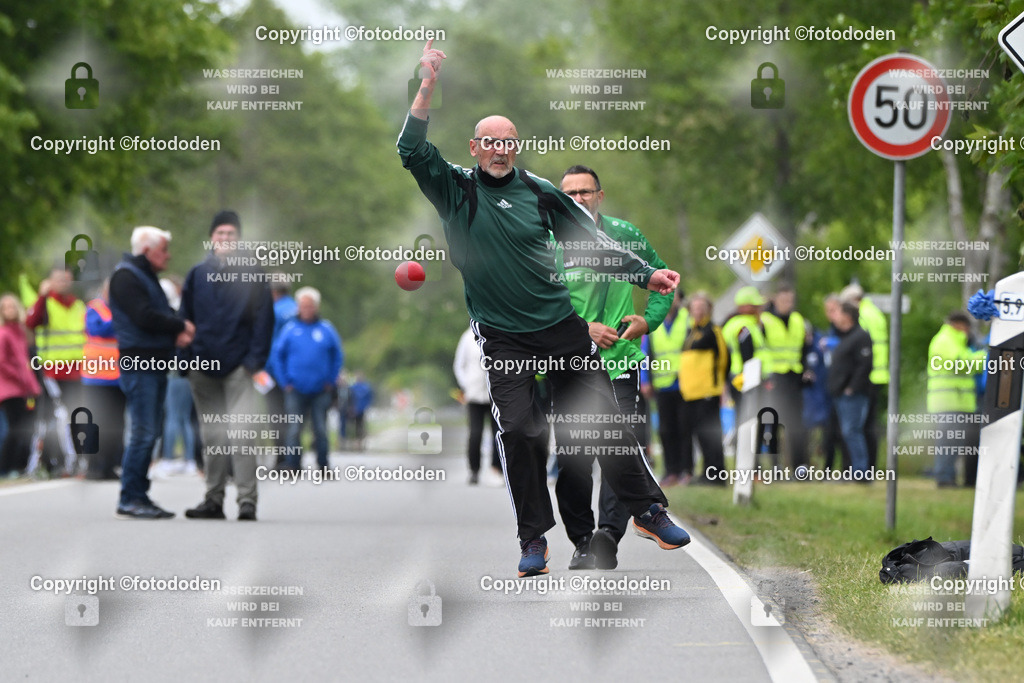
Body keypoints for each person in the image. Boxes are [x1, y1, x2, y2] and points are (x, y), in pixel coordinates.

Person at [398, 41, 689, 577]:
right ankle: (534, 538)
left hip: (560, 328)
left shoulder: (540, 192)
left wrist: (646, 275)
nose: (499, 150)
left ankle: (647, 510)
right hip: (503, 335)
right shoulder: (455, 190)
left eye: (507, 142)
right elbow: (411, 150)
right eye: (489, 142)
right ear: (475, 146)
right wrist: (427, 85)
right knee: (523, 431)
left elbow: (592, 244)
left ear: (517, 147)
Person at [553, 164, 675, 570]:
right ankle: (582, 539)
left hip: (620, 363)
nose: (578, 200)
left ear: (599, 196)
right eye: (569, 194)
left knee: (618, 447)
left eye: (585, 192)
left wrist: (648, 321)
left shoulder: (625, 234)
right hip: (570, 363)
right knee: (574, 456)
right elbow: (540, 303)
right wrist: (584, 330)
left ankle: (608, 535)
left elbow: (663, 280)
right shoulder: (549, 241)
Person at [181, 210, 273, 522]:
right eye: (220, 233)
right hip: (202, 364)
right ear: (211, 238)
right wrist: (186, 361)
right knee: (213, 438)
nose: (225, 239)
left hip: (239, 366)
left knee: (242, 435)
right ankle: (213, 499)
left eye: (231, 234)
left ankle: (247, 500)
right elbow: (185, 319)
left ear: (239, 238)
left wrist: (254, 361)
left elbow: (264, 320)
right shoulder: (197, 274)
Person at [109, 226, 193, 519]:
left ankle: (139, 494)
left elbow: (161, 313)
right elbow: (144, 316)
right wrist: (180, 327)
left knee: (150, 431)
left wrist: (175, 328)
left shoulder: (144, 276)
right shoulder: (126, 276)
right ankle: (130, 496)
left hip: (154, 361)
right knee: (143, 432)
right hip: (139, 362)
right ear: (147, 250)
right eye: (164, 250)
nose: (168, 257)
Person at [21, 268, 86, 474]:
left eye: (67, 280)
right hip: (53, 370)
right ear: (50, 282)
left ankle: (80, 458)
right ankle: (62, 460)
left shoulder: (77, 305)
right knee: (60, 417)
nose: (63, 283)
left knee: (79, 415)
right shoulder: (46, 303)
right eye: (58, 280)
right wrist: (42, 296)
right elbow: (31, 322)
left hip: (78, 369)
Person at [271, 287, 343, 470]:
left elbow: (337, 356)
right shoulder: (290, 329)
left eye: (310, 306)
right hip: (295, 389)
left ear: (316, 307)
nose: (306, 309)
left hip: (321, 389)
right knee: (294, 429)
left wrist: (331, 379)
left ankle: (323, 464)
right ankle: (293, 465)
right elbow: (278, 356)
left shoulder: (326, 329)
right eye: (303, 306)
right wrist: (284, 381)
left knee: (320, 429)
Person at [927, 312, 986, 487]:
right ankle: (944, 478)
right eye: (967, 328)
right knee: (948, 441)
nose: (968, 332)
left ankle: (948, 476)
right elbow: (960, 363)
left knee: (953, 442)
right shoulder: (945, 340)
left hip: (956, 401)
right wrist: (985, 357)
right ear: (959, 325)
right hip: (948, 400)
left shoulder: (954, 341)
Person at [678, 292, 728, 485]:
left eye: (701, 307)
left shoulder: (713, 331)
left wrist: (719, 384)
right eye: (694, 307)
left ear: (709, 309)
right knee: (699, 435)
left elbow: (723, 359)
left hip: (707, 391)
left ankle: (716, 475)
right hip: (691, 392)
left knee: (710, 434)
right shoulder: (691, 331)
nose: (697, 311)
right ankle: (707, 472)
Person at [840, 283, 888, 468]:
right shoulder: (875, 313)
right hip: (879, 374)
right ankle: (870, 467)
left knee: (861, 426)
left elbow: (858, 344)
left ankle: (863, 467)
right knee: (869, 425)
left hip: (868, 375)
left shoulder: (863, 315)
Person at [760, 285, 809, 468]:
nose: (787, 304)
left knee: (796, 423)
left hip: (794, 376)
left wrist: (805, 369)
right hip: (774, 377)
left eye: (790, 300)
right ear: (774, 300)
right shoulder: (765, 321)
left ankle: (799, 467)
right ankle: (775, 467)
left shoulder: (797, 320)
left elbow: (804, 348)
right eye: (783, 300)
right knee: (773, 422)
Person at [81, 280, 125, 481]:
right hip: (96, 378)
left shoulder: (121, 310)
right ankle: (94, 466)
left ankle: (109, 465)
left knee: (116, 424)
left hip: (117, 378)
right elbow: (98, 330)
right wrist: (121, 319)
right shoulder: (95, 308)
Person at [644, 290, 688, 487]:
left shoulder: (687, 319)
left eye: (673, 296)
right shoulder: (652, 321)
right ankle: (671, 471)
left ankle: (686, 470)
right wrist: (645, 381)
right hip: (662, 385)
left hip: (686, 384)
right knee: (665, 430)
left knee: (685, 429)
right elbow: (645, 354)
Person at [154, 276, 197, 477]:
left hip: (174, 369)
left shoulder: (169, 315)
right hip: (186, 369)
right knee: (184, 417)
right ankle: (189, 459)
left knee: (173, 416)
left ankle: (171, 458)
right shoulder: (183, 312)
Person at [826, 302, 873, 476]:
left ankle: (861, 471)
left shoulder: (860, 336)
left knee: (852, 431)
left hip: (853, 395)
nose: (834, 316)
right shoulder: (844, 336)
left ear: (847, 316)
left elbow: (864, 365)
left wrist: (852, 388)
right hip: (840, 394)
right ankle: (853, 470)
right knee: (846, 433)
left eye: (837, 312)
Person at [0, 293, 41, 476]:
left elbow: (25, 363)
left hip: (23, 387)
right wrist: (19, 377)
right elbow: (4, 362)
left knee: (25, 427)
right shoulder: (3, 333)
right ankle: (7, 466)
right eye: (6, 307)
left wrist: (32, 385)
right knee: (15, 428)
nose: (10, 310)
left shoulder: (21, 332)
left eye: (12, 306)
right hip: (9, 389)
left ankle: (21, 465)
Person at [454, 325, 500, 484]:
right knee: (475, 433)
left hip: (495, 393)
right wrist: (466, 384)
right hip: (473, 394)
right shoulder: (467, 337)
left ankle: (497, 468)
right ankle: (474, 469)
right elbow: (459, 365)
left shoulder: (497, 332)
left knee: (498, 434)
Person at [266, 279, 298, 466]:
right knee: (293, 415)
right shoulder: (298, 308)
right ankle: (294, 457)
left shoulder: (273, 311)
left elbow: (268, 342)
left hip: (273, 371)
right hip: (294, 373)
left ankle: (281, 458)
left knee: (276, 415)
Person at [346, 373, 373, 451]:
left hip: (360, 410)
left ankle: (360, 441)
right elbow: (350, 398)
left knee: (359, 426)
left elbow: (369, 399)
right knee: (356, 426)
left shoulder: (365, 388)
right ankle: (356, 441)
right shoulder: (353, 388)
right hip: (355, 410)